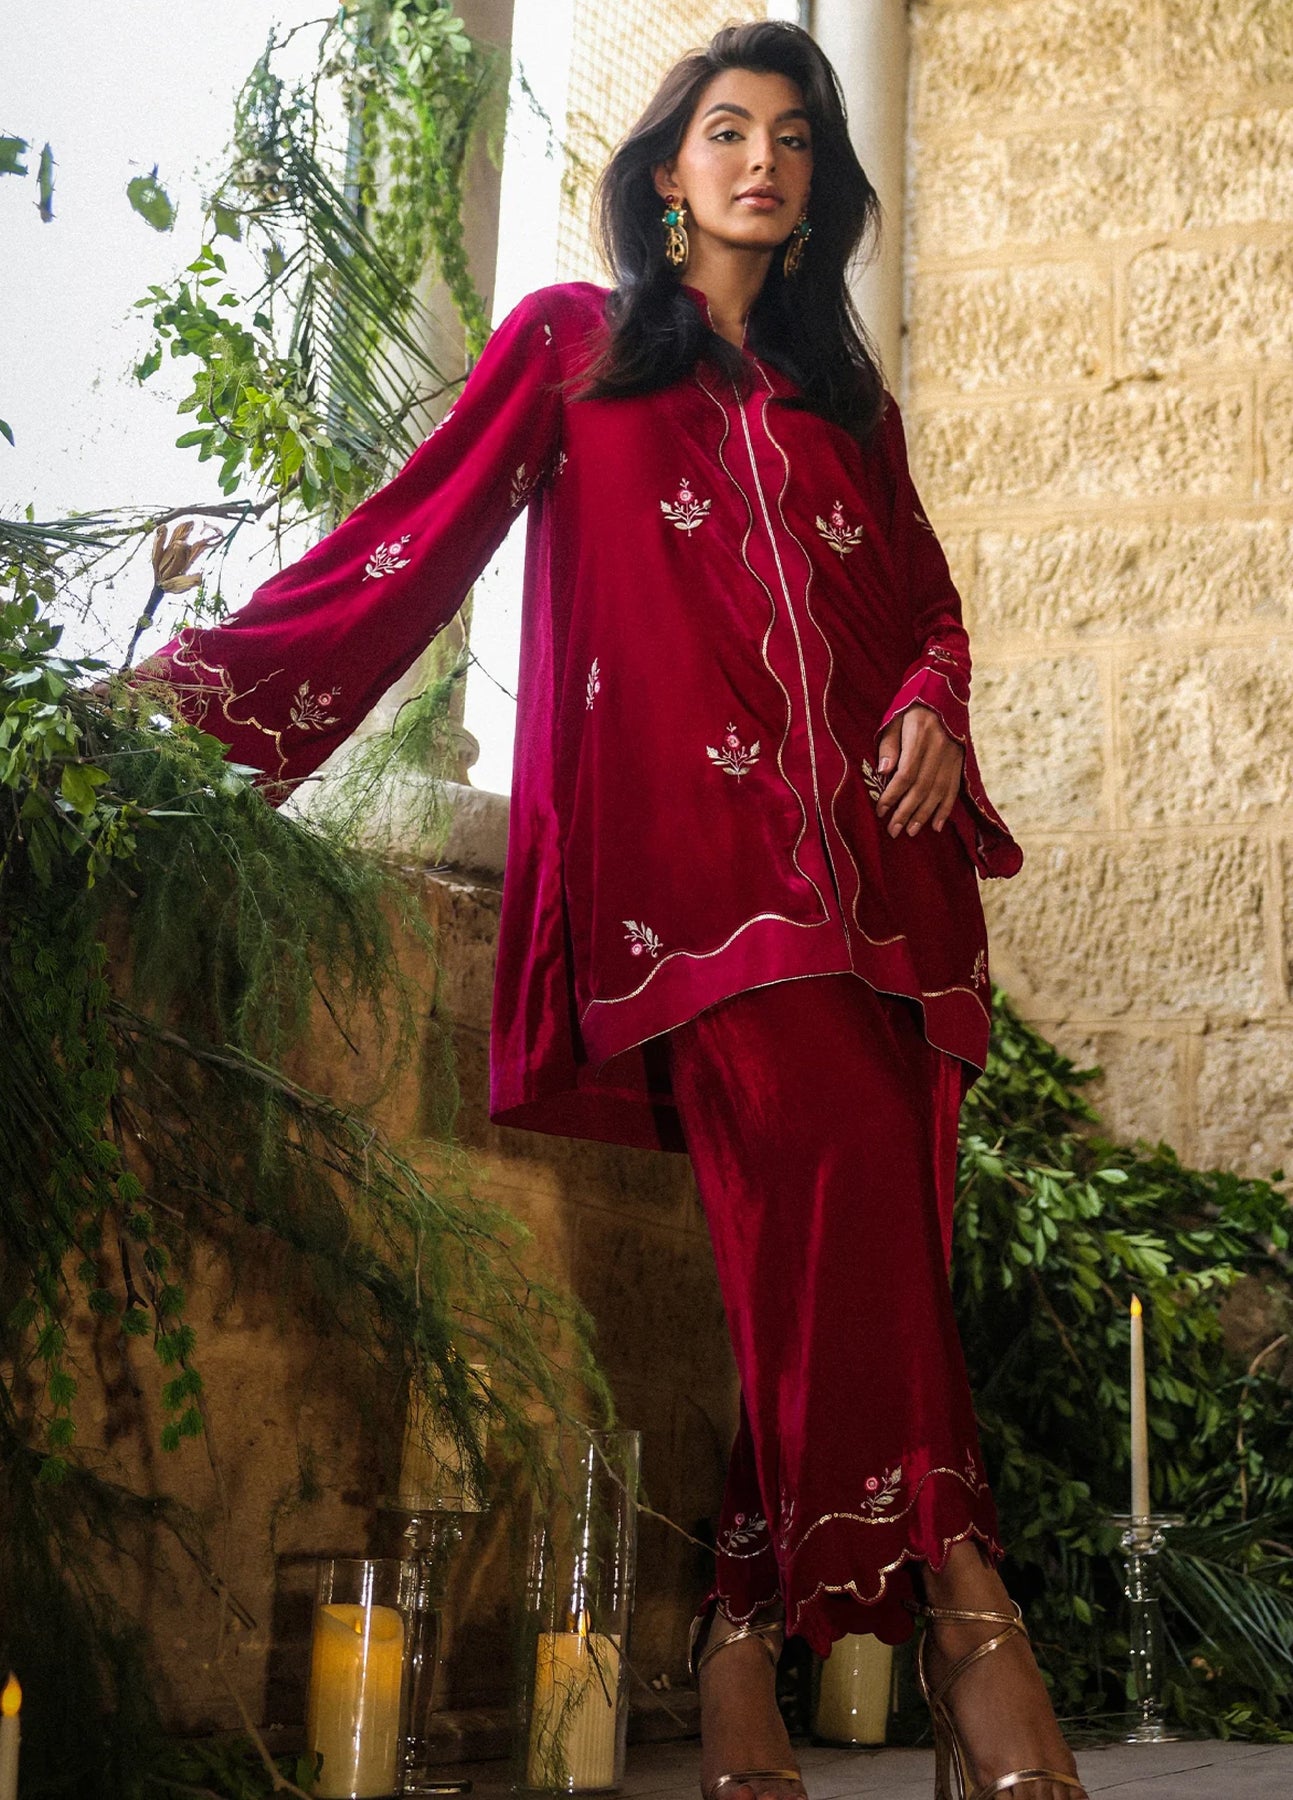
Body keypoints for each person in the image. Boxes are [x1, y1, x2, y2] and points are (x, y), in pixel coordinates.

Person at [138, 19, 1087, 1800]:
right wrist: (183, 712)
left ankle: (732, 1649)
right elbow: (409, 541)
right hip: (701, 882)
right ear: (665, 170)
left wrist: (928, 702)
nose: (761, 161)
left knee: (836, 1253)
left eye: (792, 138)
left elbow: (926, 605)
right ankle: (971, 1618)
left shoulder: (842, 405)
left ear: (817, 188)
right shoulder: (569, 346)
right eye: (725, 129)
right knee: (832, 1197)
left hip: (883, 891)